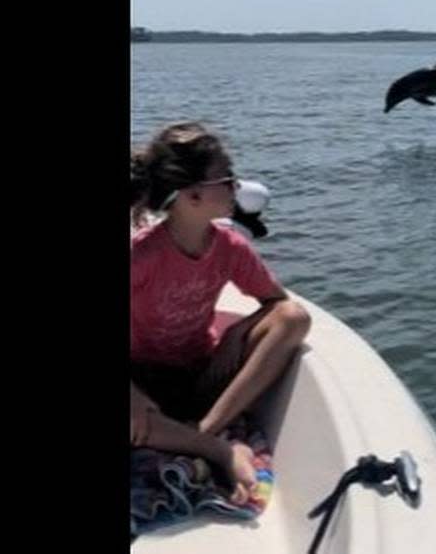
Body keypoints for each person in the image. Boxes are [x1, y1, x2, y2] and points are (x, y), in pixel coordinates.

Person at [129, 121, 311, 504]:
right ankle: (218, 450)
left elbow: (277, 306)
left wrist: (234, 336)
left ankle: (206, 432)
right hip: (144, 383)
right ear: (191, 196)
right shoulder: (142, 257)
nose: (236, 187)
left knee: (295, 318)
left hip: (201, 376)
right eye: (227, 179)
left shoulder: (230, 248)